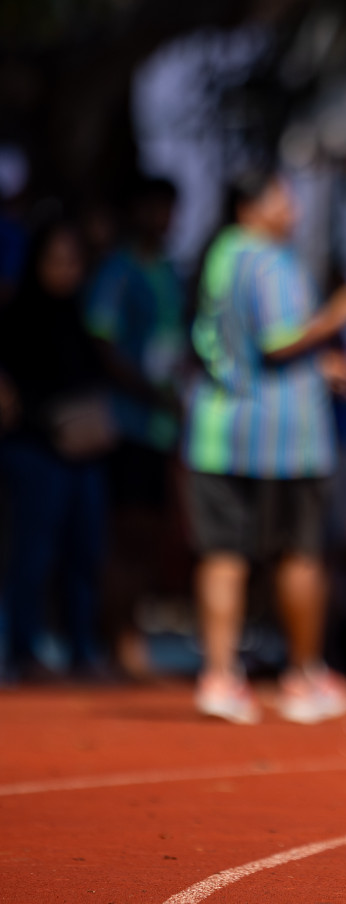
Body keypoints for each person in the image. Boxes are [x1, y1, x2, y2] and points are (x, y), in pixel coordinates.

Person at [185, 168, 346, 724]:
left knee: (222, 555)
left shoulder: (218, 254)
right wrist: (339, 314)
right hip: (285, 437)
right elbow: (279, 341)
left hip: (217, 430)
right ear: (251, 205)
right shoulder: (270, 260)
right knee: (300, 553)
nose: (291, 210)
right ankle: (303, 674)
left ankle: (220, 675)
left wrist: (322, 362)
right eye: (281, 199)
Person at [0, 222, 113, 678]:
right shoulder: (14, 318)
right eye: (55, 260)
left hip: (84, 454)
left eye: (73, 261)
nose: (65, 271)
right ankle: (24, 648)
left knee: (85, 553)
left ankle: (82, 648)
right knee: (33, 552)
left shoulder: (80, 316)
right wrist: (43, 421)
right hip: (35, 451)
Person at [86, 177, 185, 678]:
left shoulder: (170, 271)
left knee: (149, 538)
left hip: (161, 428)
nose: (164, 222)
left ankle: (132, 635)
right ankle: (115, 639)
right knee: (125, 536)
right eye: (156, 210)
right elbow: (101, 341)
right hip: (127, 425)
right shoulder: (119, 270)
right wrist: (147, 392)